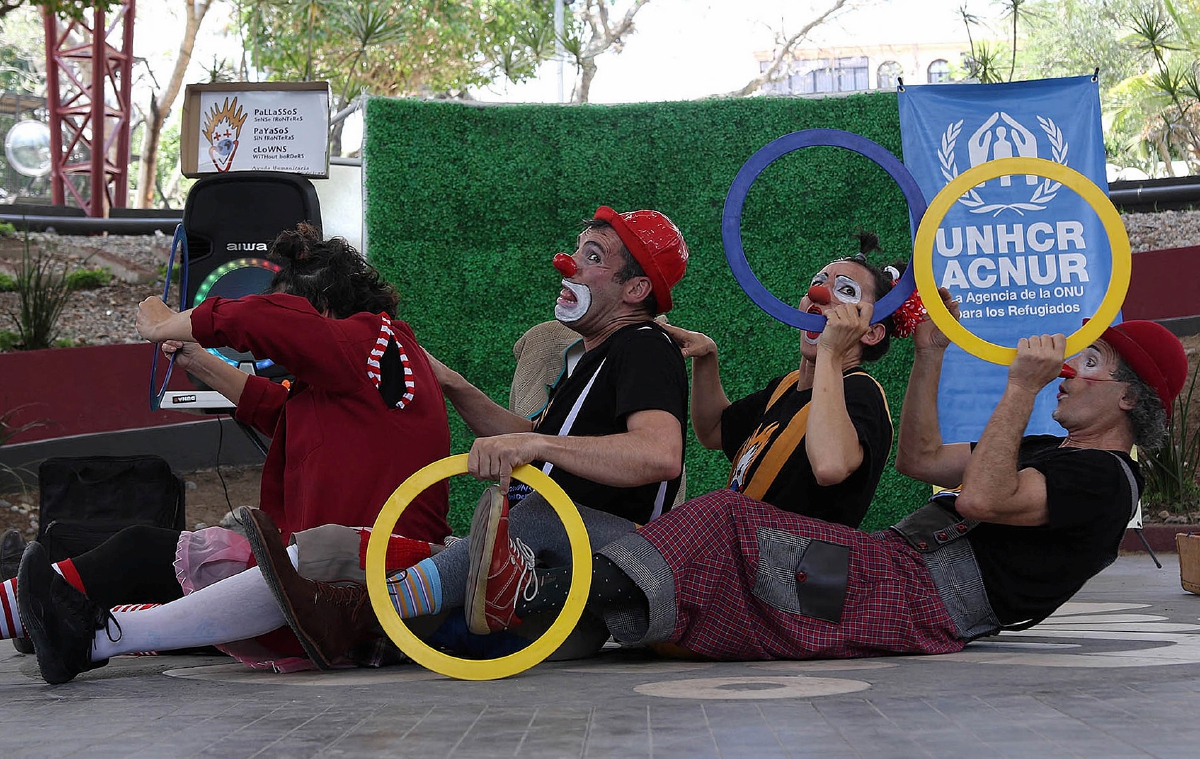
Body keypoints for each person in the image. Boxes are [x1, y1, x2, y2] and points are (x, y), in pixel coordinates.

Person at [17, 205, 693, 681]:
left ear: (637, 289)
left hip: (563, 565)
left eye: (595, 258)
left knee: (313, 557)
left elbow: (658, 454)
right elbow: (280, 408)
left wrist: (177, 319)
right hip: (531, 550)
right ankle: (71, 619)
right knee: (233, 557)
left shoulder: (643, 346)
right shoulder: (590, 360)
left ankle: (99, 630)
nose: (572, 264)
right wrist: (460, 389)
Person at [466, 298, 1188, 662]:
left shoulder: (1106, 479)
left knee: (726, 522)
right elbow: (924, 459)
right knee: (714, 572)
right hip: (898, 573)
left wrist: (1019, 388)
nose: (1070, 367)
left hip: (919, 594)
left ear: (1131, 397)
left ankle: (537, 592)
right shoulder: (1049, 449)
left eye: (1090, 363)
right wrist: (931, 354)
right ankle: (490, 603)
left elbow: (978, 499)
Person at [15, 224, 453, 683]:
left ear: (323, 312)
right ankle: (31, 615)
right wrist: (196, 356)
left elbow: (270, 321)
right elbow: (280, 413)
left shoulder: (373, 338)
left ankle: (61, 628)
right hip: (342, 578)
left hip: (372, 578)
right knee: (105, 551)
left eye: (292, 310)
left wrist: (167, 322)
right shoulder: (363, 370)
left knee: (139, 552)